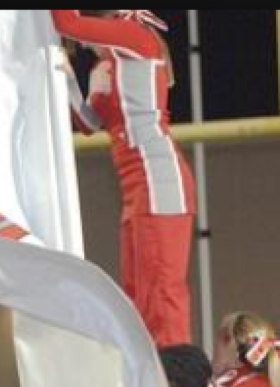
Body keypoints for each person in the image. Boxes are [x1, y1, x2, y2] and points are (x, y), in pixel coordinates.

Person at [53, 10, 197, 347]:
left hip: (158, 179)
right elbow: (88, 124)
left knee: (162, 292)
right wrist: (67, 77)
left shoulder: (133, 37)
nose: (83, 46)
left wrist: (62, 31)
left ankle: (177, 377)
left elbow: (66, 23)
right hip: (135, 187)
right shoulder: (104, 64)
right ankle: (154, 372)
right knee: (138, 293)